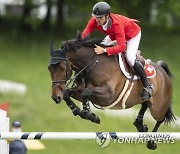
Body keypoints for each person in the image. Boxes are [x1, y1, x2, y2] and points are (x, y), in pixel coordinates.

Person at [81, 2, 153, 101]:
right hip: (114, 34)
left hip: (132, 35)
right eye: (96, 17)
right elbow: (85, 33)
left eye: (100, 18)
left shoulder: (116, 24)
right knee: (100, 47)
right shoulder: (95, 20)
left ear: (107, 16)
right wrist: (77, 44)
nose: (97, 20)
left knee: (130, 58)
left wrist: (105, 50)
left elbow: (122, 47)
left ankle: (147, 86)